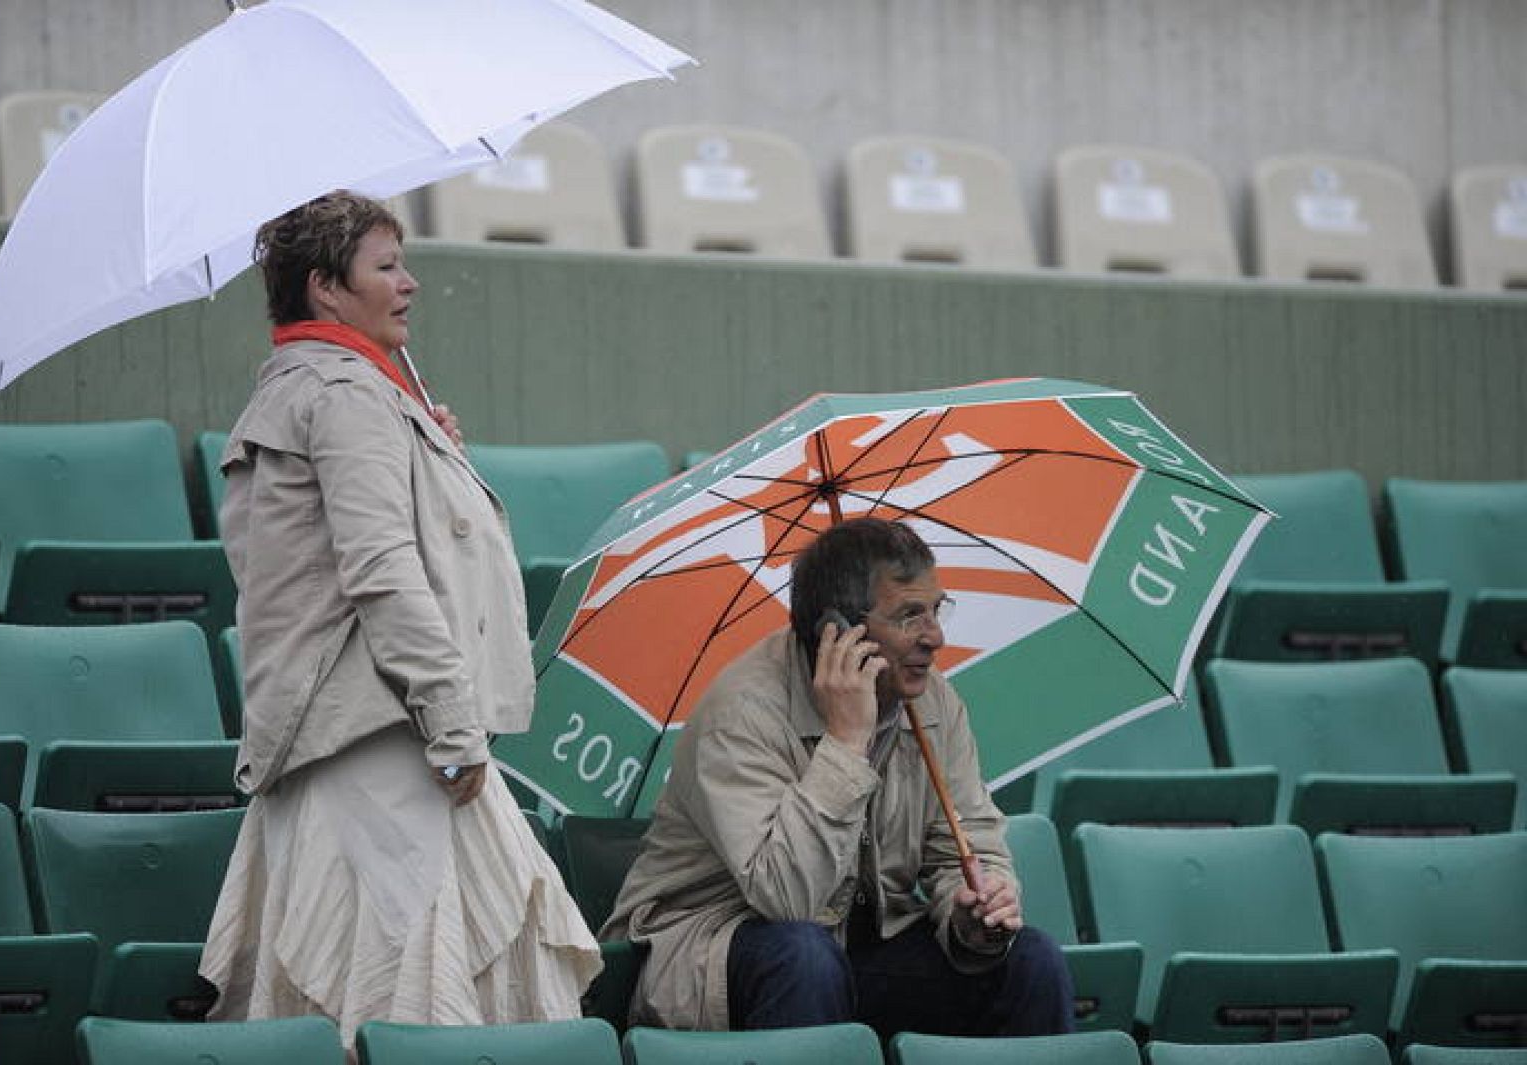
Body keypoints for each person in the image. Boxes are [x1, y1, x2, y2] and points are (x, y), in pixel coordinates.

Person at [199, 191, 600, 1050]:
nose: (410, 284)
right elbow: (382, 572)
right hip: (387, 743)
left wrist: (425, 444)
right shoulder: (343, 395)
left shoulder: (336, 390)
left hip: (374, 732)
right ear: (326, 289)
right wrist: (453, 724)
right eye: (386, 266)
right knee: (407, 1012)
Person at [603, 517, 1073, 1038]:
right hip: (711, 950)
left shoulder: (932, 700)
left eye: (938, 609)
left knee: (1030, 961)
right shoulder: (742, 712)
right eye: (910, 616)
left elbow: (966, 844)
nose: (935, 637)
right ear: (839, 631)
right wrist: (847, 743)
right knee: (804, 955)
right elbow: (788, 899)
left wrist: (974, 912)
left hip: (854, 944)